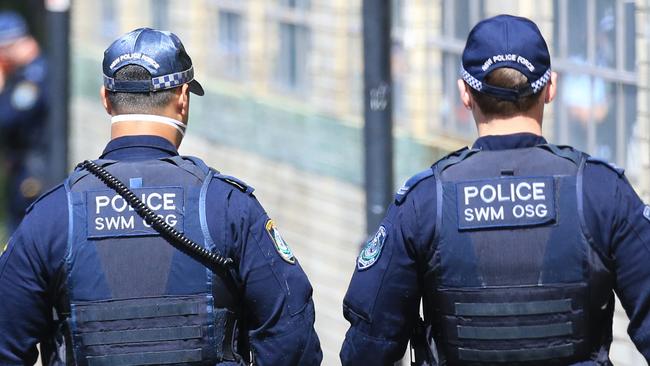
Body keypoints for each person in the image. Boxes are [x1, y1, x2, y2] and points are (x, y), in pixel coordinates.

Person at [0, 28, 322, 365]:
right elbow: (291, 336)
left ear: (106, 99)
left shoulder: (51, 216)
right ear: (183, 98)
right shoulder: (228, 207)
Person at [340, 14, 650, 365]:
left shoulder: (425, 202)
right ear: (551, 89)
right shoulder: (601, 192)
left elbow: (366, 349)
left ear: (465, 94)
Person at [0, 10, 48, 232]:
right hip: (26, 167)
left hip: (33, 172)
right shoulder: (26, 74)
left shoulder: (34, 76)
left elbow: (7, 118)